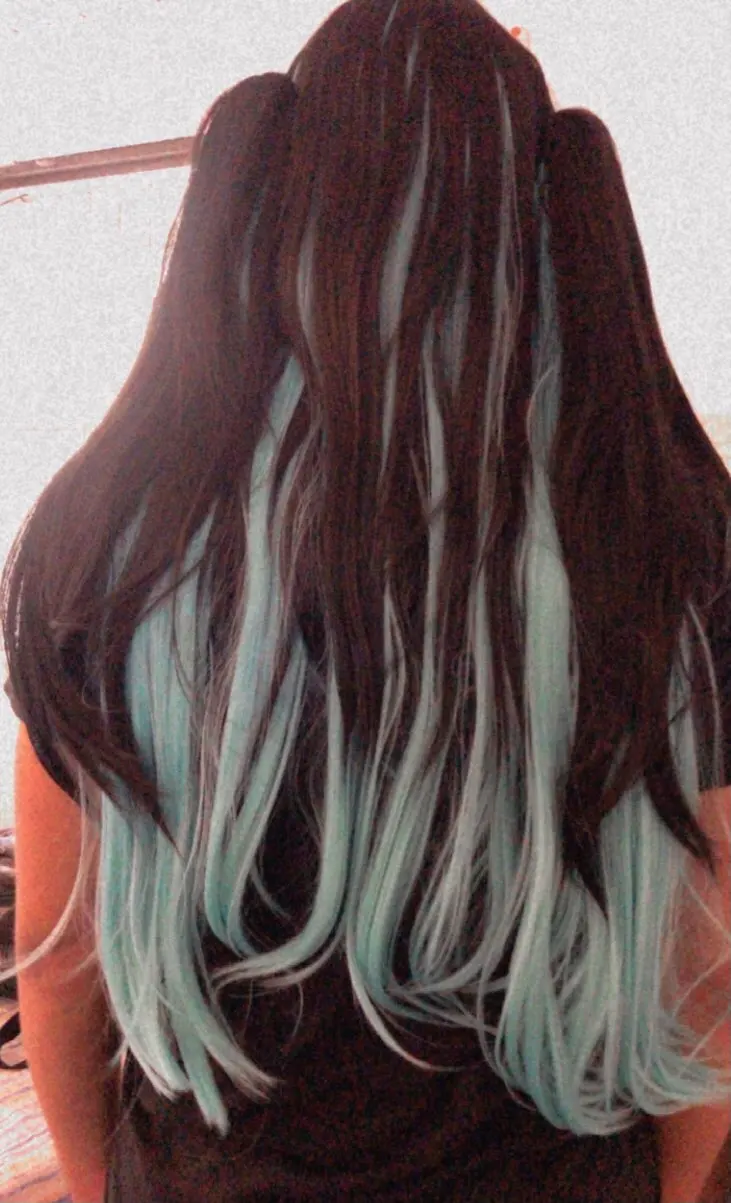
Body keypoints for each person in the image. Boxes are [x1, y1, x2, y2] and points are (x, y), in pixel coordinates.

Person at [1, 2, 730, 1200]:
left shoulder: (106, 537)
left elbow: (59, 953)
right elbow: (702, 975)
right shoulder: (660, 535)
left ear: (280, 198)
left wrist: (101, 1188)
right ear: (539, 213)